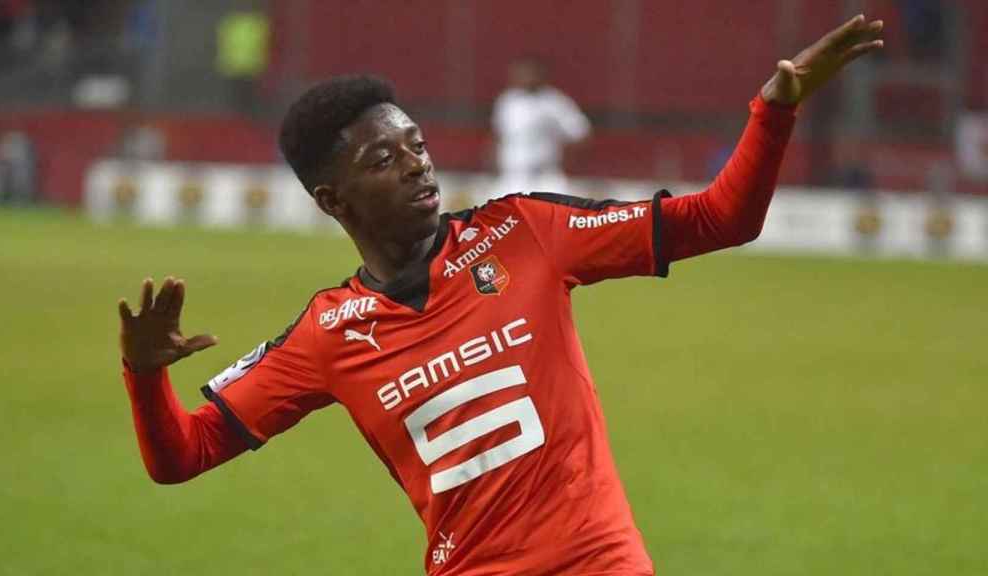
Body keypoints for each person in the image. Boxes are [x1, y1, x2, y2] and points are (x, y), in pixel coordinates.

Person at [119, 16, 883, 576]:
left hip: (600, 563)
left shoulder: (525, 233)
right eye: (384, 159)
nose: (418, 166)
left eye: (417, 144)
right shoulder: (329, 333)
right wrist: (146, 374)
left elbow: (720, 218)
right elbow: (181, 456)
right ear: (332, 199)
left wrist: (775, 108)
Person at [491, 57, 590, 199]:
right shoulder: (507, 100)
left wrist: (564, 157)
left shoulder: (555, 101)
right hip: (512, 175)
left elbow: (580, 133)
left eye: (529, 74)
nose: (525, 78)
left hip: (545, 176)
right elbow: (499, 134)